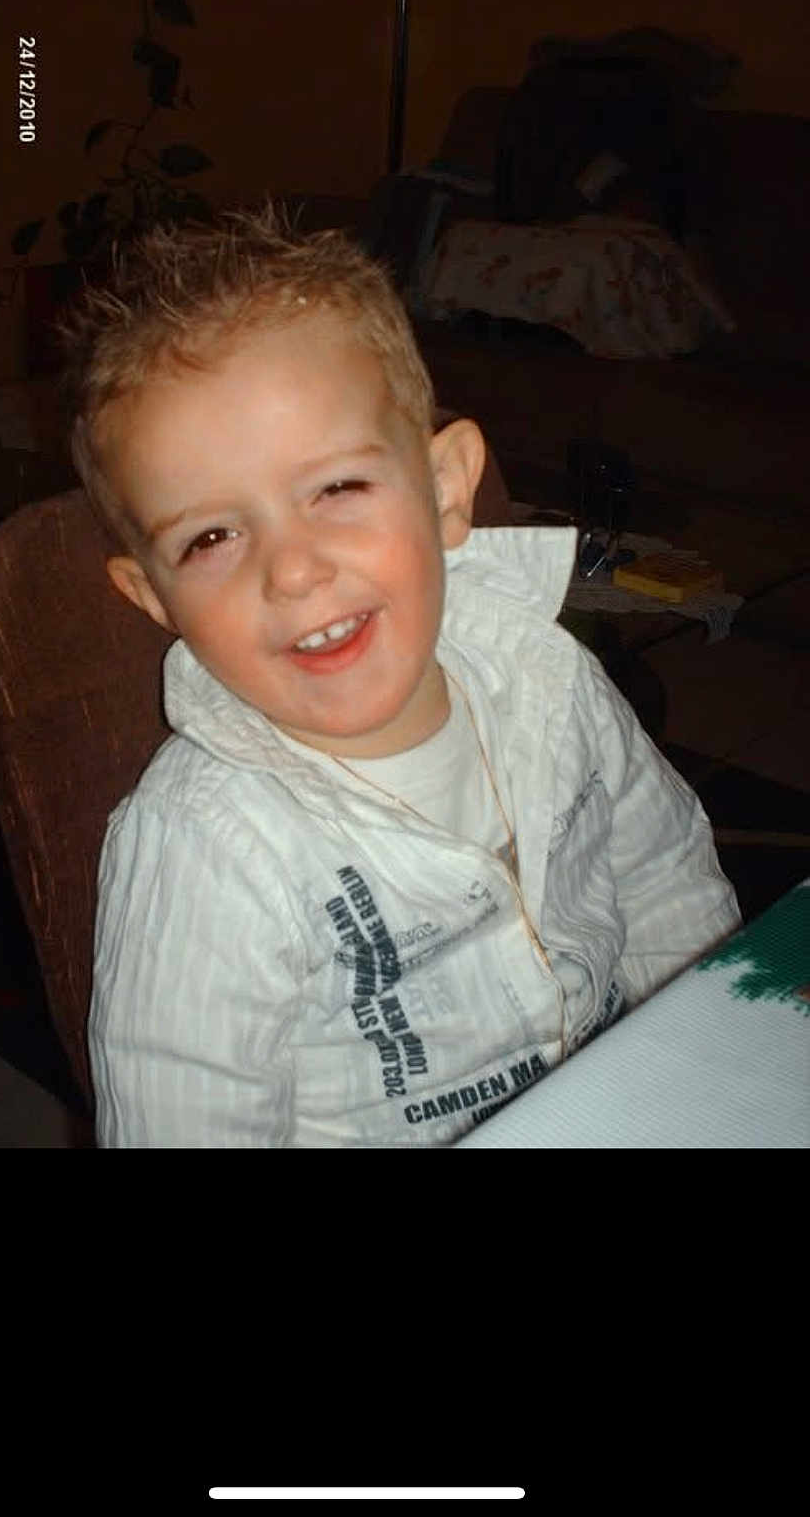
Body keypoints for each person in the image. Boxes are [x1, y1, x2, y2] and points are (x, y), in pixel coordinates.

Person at [62, 204, 740, 1148]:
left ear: (449, 486)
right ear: (154, 598)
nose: (292, 570)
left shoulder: (546, 676)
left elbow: (667, 883)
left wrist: (704, 1063)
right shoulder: (202, 850)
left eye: (336, 488)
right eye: (212, 536)